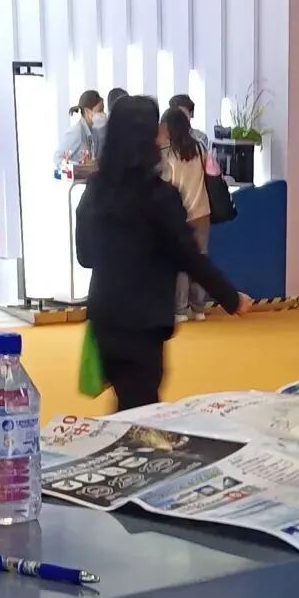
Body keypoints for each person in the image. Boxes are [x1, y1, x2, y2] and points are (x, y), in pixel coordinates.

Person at [76, 95, 252, 412]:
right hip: (144, 323)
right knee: (142, 410)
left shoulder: (95, 190)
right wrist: (230, 297)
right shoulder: (160, 197)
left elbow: (85, 256)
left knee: (128, 404)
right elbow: (189, 256)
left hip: (106, 318)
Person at [160, 106, 213, 322]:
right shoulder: (200, 148)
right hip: (202, 211)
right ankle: (199, 308)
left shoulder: (169, 154)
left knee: (181, 261)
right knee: (200, 258)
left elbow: (165, 183)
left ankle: (180, 309)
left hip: (180, 214)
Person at [56, 90, 105, 172]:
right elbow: (58, 158)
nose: (103, 114)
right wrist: (80, 167)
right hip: (77, 179)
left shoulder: (94, 130)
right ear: (87, 111)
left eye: (103, 110)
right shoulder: (76, 132)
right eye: (100, 110)